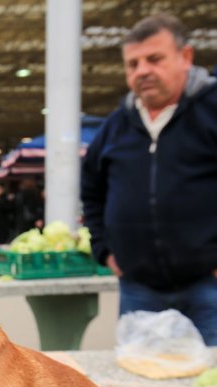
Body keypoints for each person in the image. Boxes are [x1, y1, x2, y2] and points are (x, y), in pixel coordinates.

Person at [81, 13, 217, 346]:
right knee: (144, 384)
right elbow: (92, 191)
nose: (142, 70)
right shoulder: (115, 127)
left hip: (208, 286)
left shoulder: (211, 111)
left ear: (185, 57)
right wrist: (104, 250)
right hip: (138, 289)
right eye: (133, 64)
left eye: (154, 59)